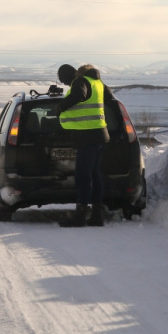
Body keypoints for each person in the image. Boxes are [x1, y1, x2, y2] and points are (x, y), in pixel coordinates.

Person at [53, 63, 115, 227]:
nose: (67, 84)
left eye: (64, 80)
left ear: (69, 76)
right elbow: (109, 97)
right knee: (95, 176)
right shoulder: (97, 82)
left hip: (88, 136)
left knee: (83, 176)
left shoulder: (80, 82)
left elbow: (78, 95)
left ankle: (80, 217)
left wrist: (61, 107)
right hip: (100, 134)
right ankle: (96, 215)